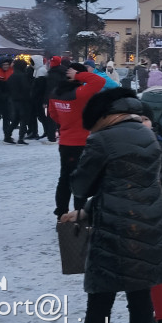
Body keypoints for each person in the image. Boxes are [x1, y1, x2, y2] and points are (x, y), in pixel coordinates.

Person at [62, 87, 162, 323]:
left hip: (114, 233)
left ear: (103, 116)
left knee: (100, 304)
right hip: (150, 227)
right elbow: (132, 185)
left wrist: (78, 175)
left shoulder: (102, 140)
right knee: (140, 300)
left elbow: (82, 186)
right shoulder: (148, 136)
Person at [115, 103, 162, 323]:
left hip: (156, 224)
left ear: (151, 123)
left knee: (159, 278)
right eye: (134, 119)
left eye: (144, 119)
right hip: (127, 223)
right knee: (134, 279)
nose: (139, 123)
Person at [47, 63, 106, 218]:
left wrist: (66, 122)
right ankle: (79, 212)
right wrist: (79, 75)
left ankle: (61, 211)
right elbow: (99, 81)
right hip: (82, 141)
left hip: (65, 142)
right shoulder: (81, 93)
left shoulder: (55, 93)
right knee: (82, 177)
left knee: (65, 177)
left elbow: (53, 115)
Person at [5, 58, 33, 144]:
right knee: (24, 119)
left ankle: (7, 136)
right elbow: (26, 88)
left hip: (14, 100)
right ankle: (21, 138)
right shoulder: (22, 76)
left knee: (15, 119)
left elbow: (8, 88)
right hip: (23, 100)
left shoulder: (12, 76)